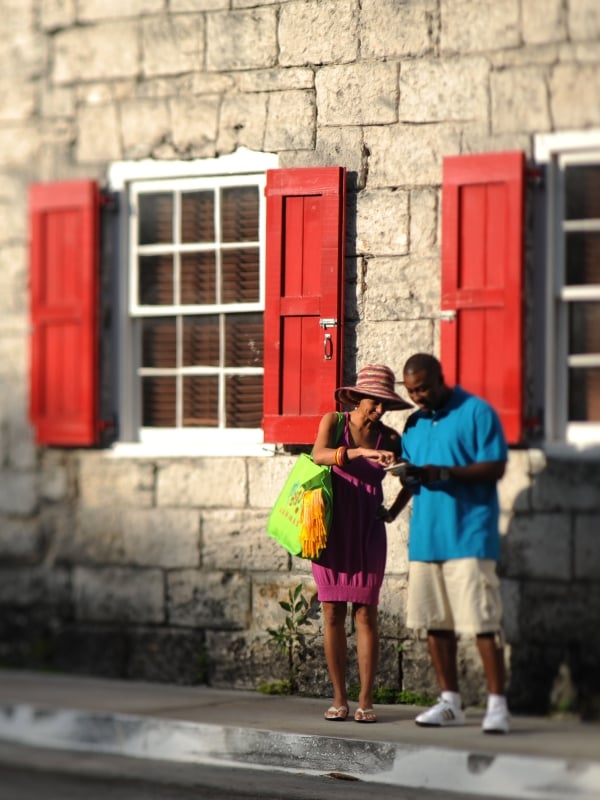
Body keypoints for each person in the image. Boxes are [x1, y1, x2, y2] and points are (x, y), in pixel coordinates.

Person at [397, 353, 510, 734]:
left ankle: (497, 705)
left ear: (442, 377)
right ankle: (451, 703)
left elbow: (495, 467)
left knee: (481, 622)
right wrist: (405, 475)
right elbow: (414, 476)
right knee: (435, 623)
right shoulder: (412, 424)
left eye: (424, 388)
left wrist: (442, 471)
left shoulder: (477, 412)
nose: (418, 397)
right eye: (412, 391)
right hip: (427, 537)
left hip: (469, 535)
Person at [311, 364, 412, 723]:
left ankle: (366, 700)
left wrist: (393, 511)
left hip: (369, 531)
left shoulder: (390, 438)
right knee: (332, 612)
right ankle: (339, 698)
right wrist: (359, 453)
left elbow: (411, 479)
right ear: (356, 397)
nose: (380, 411)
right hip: (331, 529)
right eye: (374, 403)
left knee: (367, 612)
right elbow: (318, 455)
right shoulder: (334, 423)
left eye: (385, 405)